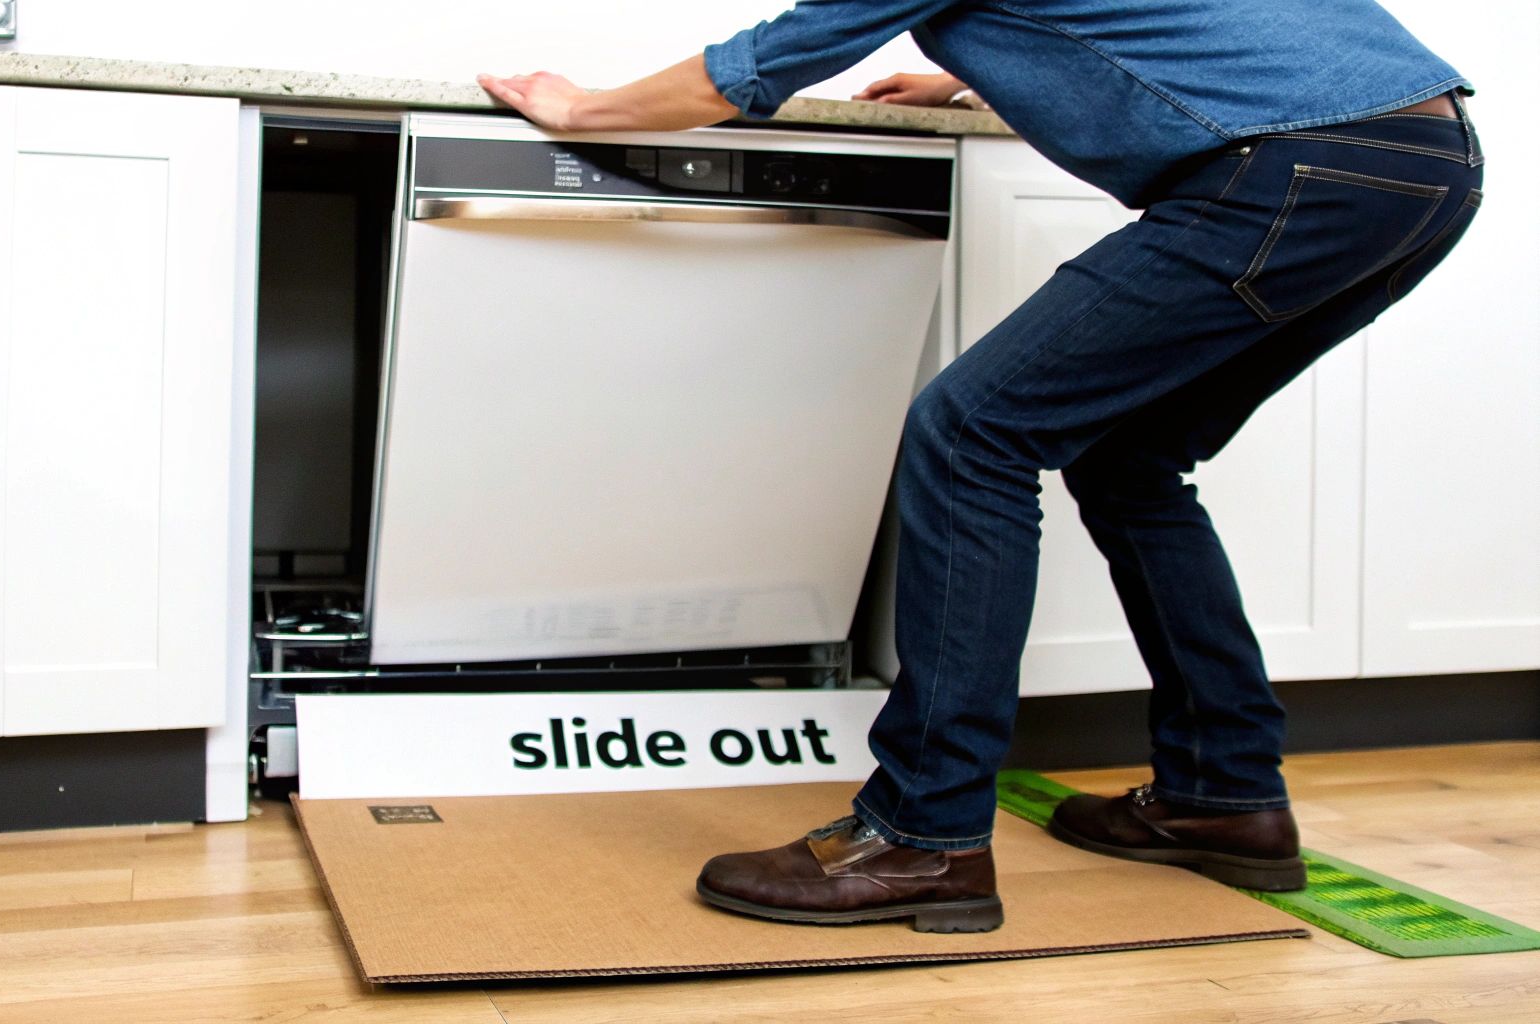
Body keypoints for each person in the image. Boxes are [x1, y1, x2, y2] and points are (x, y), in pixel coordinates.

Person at [479, 0, 1481, 934]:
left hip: (1294, 168)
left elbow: (751, 70)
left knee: (972, 432)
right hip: (1423, 165)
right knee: (1131, 462)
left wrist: (579, 105)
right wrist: (964, 83)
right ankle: (1220, 797)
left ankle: (923, 835)